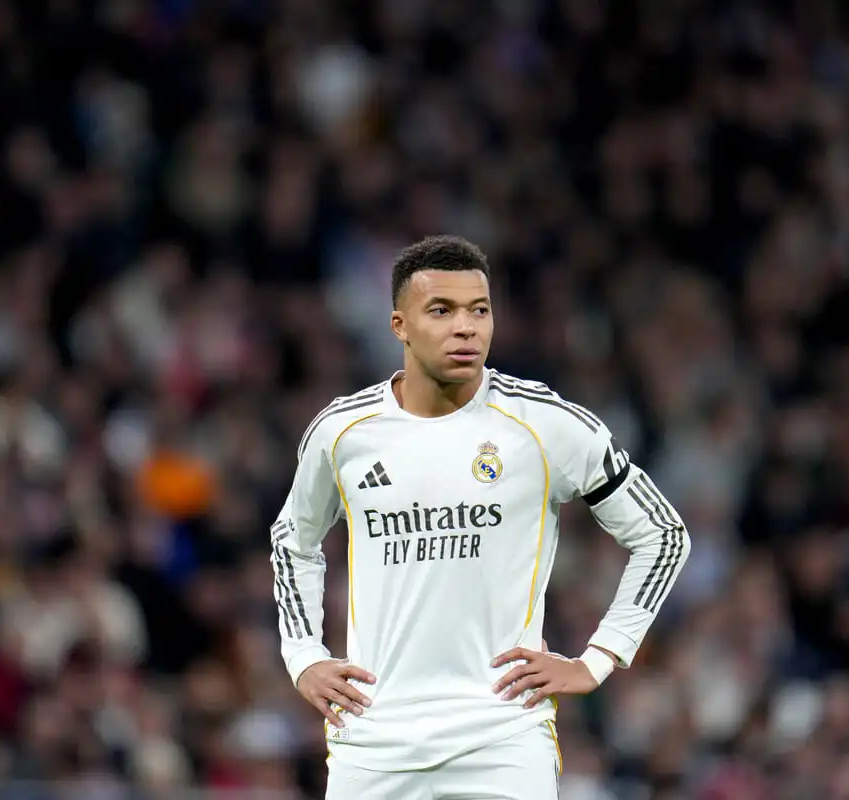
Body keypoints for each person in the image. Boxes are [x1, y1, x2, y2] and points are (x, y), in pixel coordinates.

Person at [270, 235, 691, 799]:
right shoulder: (343, 432)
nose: (466, 327)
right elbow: (292, 541)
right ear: (399, 325)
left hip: (502, 739)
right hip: (373, 740)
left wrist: (599, 658)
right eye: (441, 311)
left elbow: (663, 534)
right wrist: (304, 658)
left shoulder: (546, 424)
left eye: (479, 310)